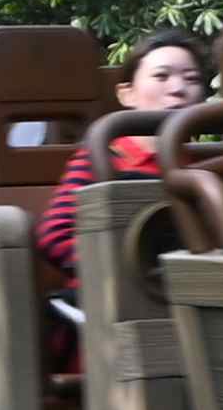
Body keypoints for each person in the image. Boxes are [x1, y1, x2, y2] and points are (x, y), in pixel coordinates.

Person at [36, 32, 212, 277]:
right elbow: (55, 235)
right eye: (161, 76)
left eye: (192, 79)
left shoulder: (206, 166)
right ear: (127, 93)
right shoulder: (102, 158)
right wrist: (120, 271)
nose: (178, 89)